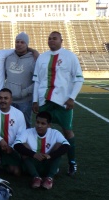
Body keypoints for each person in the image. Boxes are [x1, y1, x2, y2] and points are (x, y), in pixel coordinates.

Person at [32, 31, 84, 176]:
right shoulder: (42, 58)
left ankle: (72, 162)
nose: (51, 40)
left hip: (62, 103)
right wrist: (35, 100)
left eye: (54, 38)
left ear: (61, 40)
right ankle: (44, 161)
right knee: (42, 131)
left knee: (67, 131)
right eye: (49, 38)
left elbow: (79, 79)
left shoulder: (70, 56)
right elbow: (36, 81)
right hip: (44, 101)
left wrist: (72, 98)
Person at [14, 111, 70, 190]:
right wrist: (34, 154)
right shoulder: (28, 132)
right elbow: (16, 145)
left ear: (49, 125)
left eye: (43, 123)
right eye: (37, 122)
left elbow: (67, 146)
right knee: (23, 145)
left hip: (47, 165)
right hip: (32, 165)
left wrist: (50, 156)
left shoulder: (55, 133)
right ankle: (36, 177)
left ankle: (49, 178)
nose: (39, 125)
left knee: (59, 145)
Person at [0, 88, 27, 176]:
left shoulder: (19, 114)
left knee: (16, 172)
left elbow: (21, 135)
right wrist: (0, 140)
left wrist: (12, 147)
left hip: (11, 147)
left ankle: (1, 163)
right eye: (0, 98)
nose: (2, 100)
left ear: (11, 100)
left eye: (5, 98)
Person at [5, 32, 36, 128]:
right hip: (9, 100)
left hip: (25, 101)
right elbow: (5, 76)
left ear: (27, 44)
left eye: (22, 42)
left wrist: (23, 93)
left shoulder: (33, 60)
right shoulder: (9, 58)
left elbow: (37, 81)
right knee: (8, 126)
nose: (19, 44)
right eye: (17, 41)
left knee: (25, 126)